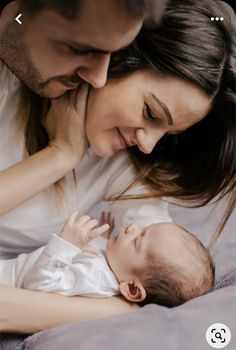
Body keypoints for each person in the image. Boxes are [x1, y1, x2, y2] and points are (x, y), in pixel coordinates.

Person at [0, 0, 235, 333]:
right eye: (151, 114)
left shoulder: (127, 167)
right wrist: (59, 156)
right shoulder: (8, 85)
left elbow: (143, 291)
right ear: (118, 55)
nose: (148, 144)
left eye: (169, 133)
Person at [0, 212, 215, 308]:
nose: (132, 227)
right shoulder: (110, 267)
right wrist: (102, 242)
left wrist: (66, 245)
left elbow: (37, 289)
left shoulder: (96, 280)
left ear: (131, 289)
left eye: (137, 240)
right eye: (144, 228)